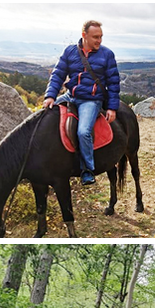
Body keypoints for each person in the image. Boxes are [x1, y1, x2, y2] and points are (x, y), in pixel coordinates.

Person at [43, 20, 121, 186]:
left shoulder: (107, 54)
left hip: (91, 100)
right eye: (95, 37)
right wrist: (50, 96)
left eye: (101, 37)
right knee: (45, 116)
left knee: (83, 131)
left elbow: (113, 83)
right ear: (84, 35)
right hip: (70, 96)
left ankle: (87, 169)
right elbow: (57, 75)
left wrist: (112, 108)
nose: (99, 40)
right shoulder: (70, 52)